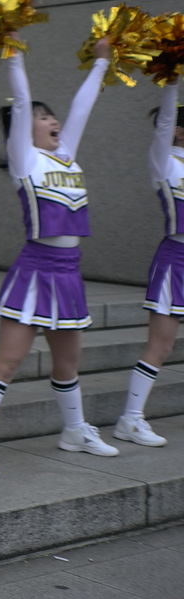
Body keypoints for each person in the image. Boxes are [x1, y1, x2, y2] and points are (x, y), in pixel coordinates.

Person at [0, 39, 117, 478]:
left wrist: (102, 62)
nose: (55, 121)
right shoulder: (24, 161)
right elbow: (22, 100)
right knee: (7, 361)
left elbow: (83, 107)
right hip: (35, 270)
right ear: (23, 130)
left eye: (52, 116)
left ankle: (75, 430)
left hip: (69, 273)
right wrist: (14, 51)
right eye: (45, 117)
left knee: (68, 363)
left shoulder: (66, 156)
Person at [114, 79, 184, 447]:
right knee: (161, 346)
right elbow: (162, 126)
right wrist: (171, 82)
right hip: (176, 260)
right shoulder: (164, 161)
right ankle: (131, 418)